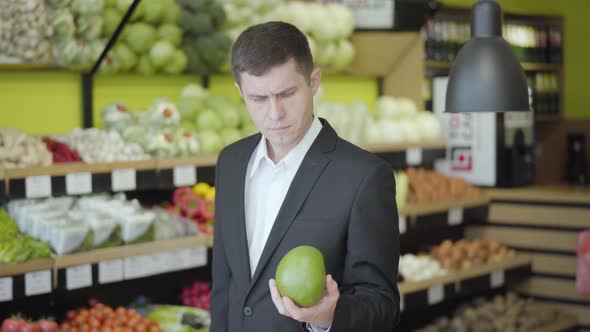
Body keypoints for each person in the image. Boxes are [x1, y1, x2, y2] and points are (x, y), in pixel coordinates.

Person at [210, 21, 400, 332]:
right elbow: (224, 285)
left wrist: (328, 318)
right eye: (258, 99)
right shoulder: (230, 162)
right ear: (240, 93)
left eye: (287, 94)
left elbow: (382, 303)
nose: (274, 114)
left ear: (313, 81)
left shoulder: (365, 177)